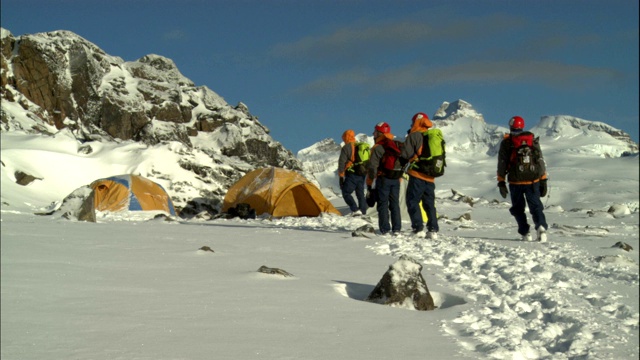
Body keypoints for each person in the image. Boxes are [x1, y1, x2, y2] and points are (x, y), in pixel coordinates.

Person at [497, 116, 549, 242]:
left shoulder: (507, 142)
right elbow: (540, 160)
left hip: (515, 181)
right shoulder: (532, 141)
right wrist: (543, 179)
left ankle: (525, 233)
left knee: (518, 208)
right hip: (533, 180)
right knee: (536, 206)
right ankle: (541, 227)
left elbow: (502, 163)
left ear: (511, 126)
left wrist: (501, 181)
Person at [400, 112, 439, 239]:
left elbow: (405, 154)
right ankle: (433, 230)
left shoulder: (414, 135)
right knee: (429, 203)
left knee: (413, 201)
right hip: (431, 176)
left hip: (417, 174)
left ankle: (418, 228)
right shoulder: (433, 136)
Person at [367, 122, 403, 235]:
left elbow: (372, 167)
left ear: (380, 133)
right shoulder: (395, 144)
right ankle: (397, 228)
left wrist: (370, 182)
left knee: (383, 204)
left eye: (375, 131)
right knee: (395, 204)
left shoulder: (378, 147)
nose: (373, 133)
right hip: (396, 178)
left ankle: (385, 229)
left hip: (383, 178)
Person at [337, 129, 368, 216]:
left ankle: (355, 209)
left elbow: (342, 162)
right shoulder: (359, 146)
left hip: (352, 173)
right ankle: (363, 212)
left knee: (346, 192)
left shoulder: (346, 147)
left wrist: (341, 174)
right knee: (360, 194)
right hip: (362, 173)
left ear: (346, 137)